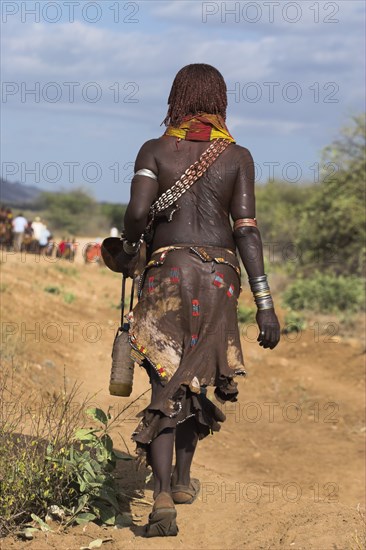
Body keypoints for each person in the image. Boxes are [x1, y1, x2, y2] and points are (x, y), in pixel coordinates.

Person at [114, 64, 280, 537]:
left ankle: (162, 492)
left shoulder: (154, 150)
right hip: (221, 278)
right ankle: (184, 480)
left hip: (168, 271)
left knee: (165, 376)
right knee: (194, 379)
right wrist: (264, 301)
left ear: (176, 98)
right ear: (221, 100)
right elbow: (246, 228)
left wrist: (129, 246)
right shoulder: (239, 156)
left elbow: (138, 212)